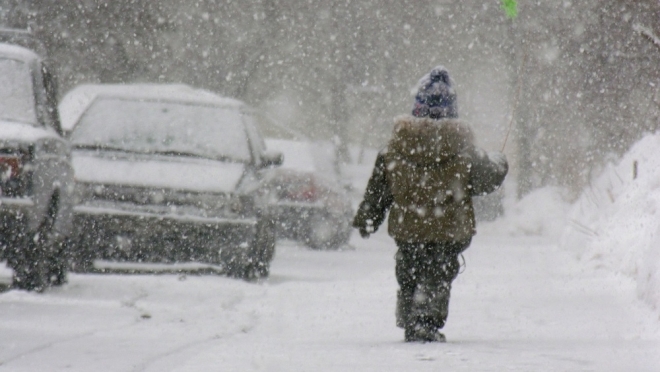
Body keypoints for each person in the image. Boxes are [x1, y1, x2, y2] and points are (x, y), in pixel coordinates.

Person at [352, 66, 508, 343]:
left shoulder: (394, 148)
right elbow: (488, 180)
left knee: (409, 268)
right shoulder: (465, 150)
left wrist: (368, 218)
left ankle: (410, 315)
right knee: (439, 272)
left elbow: (379, 190)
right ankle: (425, 321)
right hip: (449, 229)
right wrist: (500, 161)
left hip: (408, 227)